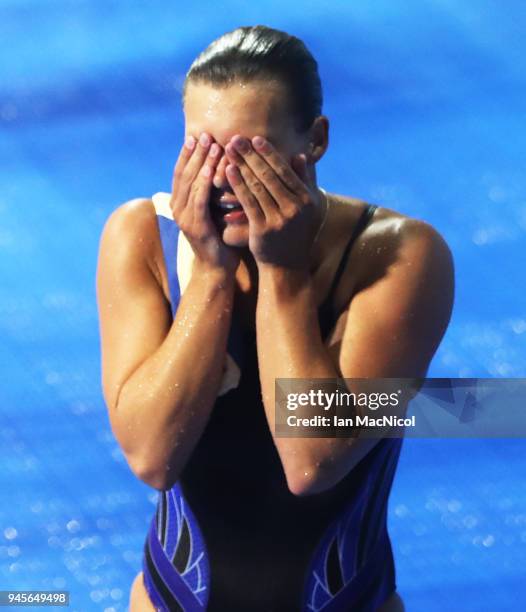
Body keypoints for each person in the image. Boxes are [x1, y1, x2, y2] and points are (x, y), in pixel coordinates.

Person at [96, 25, 454, 612]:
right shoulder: (143, 238)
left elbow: (313, 460)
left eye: (248, 154)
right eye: (201, 150)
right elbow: (151, 457)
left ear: (314, 141)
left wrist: (282, 273)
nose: (221, 181)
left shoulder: (398, 257)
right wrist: (210, 273)